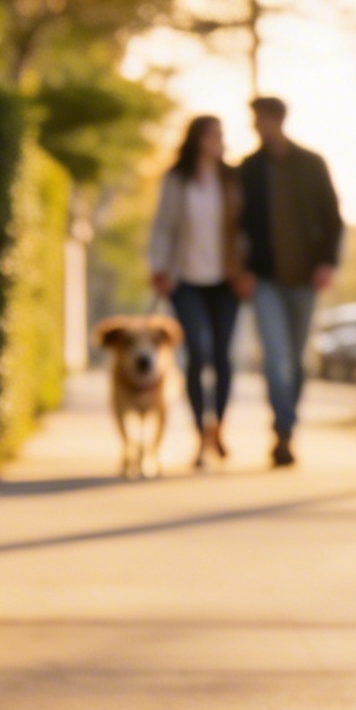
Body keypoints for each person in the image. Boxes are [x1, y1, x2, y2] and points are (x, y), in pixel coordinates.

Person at [240, 96, 345, 468]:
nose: (257, 126)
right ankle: (283, 430)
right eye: (254, 120)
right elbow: (237, 224)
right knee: (274, 358)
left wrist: (328, 262)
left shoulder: (311, 164)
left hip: (305, 277)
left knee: (299, 361)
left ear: (277, 120)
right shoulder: (249, 169)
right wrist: (242, 268)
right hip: (265, 279)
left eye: (261, 119)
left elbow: (333, 216)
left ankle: (286, 427)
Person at [148, 114, 247, 470]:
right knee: (197, 352)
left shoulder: (232, 178)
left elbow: (243, 230)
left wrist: (245, 269)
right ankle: (197, 431)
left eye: (222, 135)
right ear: (198, 139)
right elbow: (163, 226)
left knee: (223, 356)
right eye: (214, 135)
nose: (220, 140)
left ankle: (216, 427)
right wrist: (158, 267)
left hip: (226, 280)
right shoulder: (177, 179)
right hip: (185, 279)